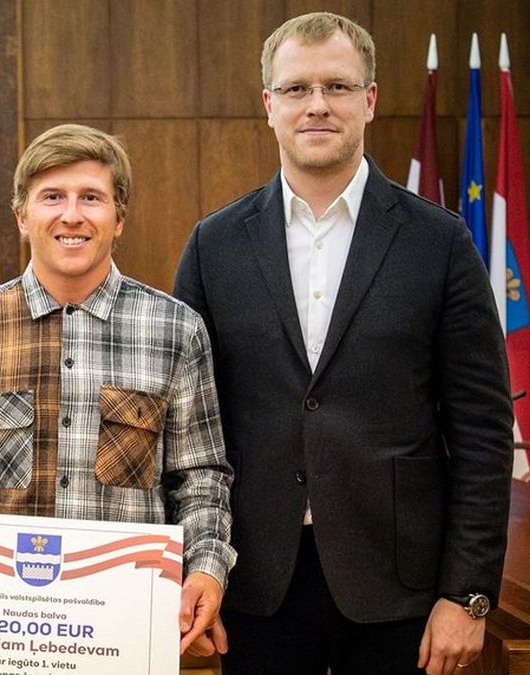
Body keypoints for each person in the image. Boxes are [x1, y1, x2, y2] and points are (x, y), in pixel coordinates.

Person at [173, 12, 514, 675]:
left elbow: (481, 430)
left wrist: (467, 595)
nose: (318, 105)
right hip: (253, 586)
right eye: (297, 89)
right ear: (268, 105)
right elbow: (184, 431)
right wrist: (192, 569)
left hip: (402, 593)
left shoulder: (440, 243)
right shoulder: (214, 245)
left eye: (337, 86)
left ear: (371, 100)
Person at [0, 123, 236, 657]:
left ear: (119, 218)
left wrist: (207, 571)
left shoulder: (176, 330)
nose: (72, 215)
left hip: (129, 633)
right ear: (23, 216)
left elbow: (201, 478)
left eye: (91, 198)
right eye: (52, 197)